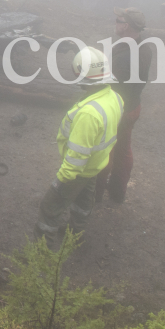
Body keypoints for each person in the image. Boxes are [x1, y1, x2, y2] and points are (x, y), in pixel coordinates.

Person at [35, 46, 124, 248]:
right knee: (83, 204)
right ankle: (76, 235)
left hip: (77, 172)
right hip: (95, 166)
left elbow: (76, 158)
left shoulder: (88, 114)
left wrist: (61, 179)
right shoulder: (115, 98)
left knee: (49, 209)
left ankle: (41, 256)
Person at [95, 7, 152, 203]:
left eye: (118, 20)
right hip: (133, 106)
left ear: (126, 25)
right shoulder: (143, 46)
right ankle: (118, 193)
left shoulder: (125, 56)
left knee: (105, 153)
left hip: (119, 111)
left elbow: (109, 84)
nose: (115, 23)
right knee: (123, 149)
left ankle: (95, 195)